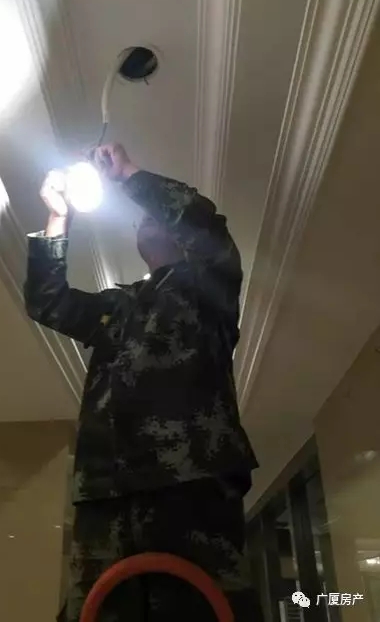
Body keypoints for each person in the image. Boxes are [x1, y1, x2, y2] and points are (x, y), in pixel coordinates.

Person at [24, 143, 262, 621]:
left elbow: (203, 224)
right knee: (99, 609)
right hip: (105, 489)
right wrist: (57, 217)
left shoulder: (209, 288)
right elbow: (47, 302)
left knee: (200, 609)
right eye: (142, 219)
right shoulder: (118, 306)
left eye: (155, 215)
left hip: (189, 482)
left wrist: (129, 174)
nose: (145, 220)